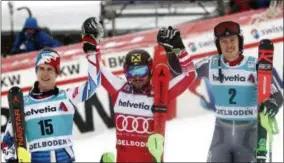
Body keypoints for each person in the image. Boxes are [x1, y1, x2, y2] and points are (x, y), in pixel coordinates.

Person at [81, 17, 196, 162]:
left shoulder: (159, 94)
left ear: (150, 71)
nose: (136, 77)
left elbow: (190, 74)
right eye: (131, 72)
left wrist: (178, 47)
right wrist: (91, 44)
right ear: (124, 72)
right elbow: (98, 71)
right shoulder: (119, 90)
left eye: (141, 71)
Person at [165, 21, 283, 162]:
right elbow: (181, 73)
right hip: (221, 136)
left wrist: (272, 104)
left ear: (240, 41)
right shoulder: (210, 64)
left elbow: (277, 95)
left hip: (249, 135)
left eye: (233, 40)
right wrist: (173, 50)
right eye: (224, 41)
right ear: (218, 45)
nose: (229, 45)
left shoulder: (255, 65)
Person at [1, 47, 101, 162]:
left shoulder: (67, 96)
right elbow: (6, 143)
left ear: (56, 73)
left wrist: (92, 51)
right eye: (41, 68)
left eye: (50, 69)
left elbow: (93, 84)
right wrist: (13, 159)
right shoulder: (23, 104)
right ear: (36, 70)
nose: (45, 73)